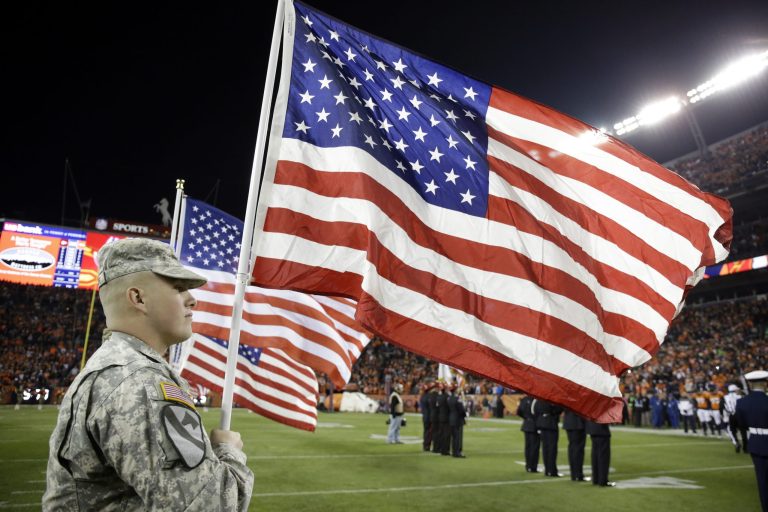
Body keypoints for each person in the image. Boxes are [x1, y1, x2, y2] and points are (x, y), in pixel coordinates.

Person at [43, 238, 253, 511]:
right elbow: (210, 505)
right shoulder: (137, 380)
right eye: (178, 288)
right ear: (138, 298)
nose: (193, 300)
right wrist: (229, 452)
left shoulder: (120, 368)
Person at [735, 370, 768, 512]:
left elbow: (741, 424)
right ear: (765, 383)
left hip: (756, 443)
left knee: (763, 482)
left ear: (749, 384)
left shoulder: (742, 402)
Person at [534, 399, 563, 477]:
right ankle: (551, 470)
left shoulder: (539, 399)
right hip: (551, 423)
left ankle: (547, 470)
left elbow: (535, 409)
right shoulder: (551, 399)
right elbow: (558, 409)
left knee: (545, 448)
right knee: (552, 449)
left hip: (541, 423)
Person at [586, 420, 615, 487]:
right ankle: (602, 480)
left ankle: (596, 479)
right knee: (603, 455)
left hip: (592, 427)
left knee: (595, 454)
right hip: (601, 428)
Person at [563, 409, 589, 482]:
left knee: (572, 448)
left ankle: (574, 474)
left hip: (568, 422)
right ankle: (578, 475)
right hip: (578, 423)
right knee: (578, 450)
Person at [516, 395, 540, 473]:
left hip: (526, 424)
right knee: (534, 447)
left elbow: (518, 412)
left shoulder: (524, 399)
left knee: (528, 447)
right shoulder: (535, 400)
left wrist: (526, 418)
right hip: (534, 425)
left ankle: (528, 466)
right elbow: (537, 412)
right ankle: (533, 467)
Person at [724, 384, 748, 453]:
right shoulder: (740, 396)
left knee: (732, 431)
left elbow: (723, 407)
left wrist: (725, 416)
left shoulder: (725, 397)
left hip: (731, 415)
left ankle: (736, 442)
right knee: (743, 432)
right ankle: (745, 448)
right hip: (740, 415)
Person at [447, 383, 466, 458]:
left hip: (451, 418)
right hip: (457, 419)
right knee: (457, 437)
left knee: (453, 437)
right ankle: (457, 452)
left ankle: (454, 451)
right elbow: (461, 410)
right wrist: (465, 414)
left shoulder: (449, 398)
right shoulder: (457, 398)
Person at [420, 381, 434, 452]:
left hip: (424, 416)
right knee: (429, 432)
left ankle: (425, 445)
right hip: (429, 417)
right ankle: (427, 446)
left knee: (426, 432)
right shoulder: (429, 397)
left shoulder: (422, 396)